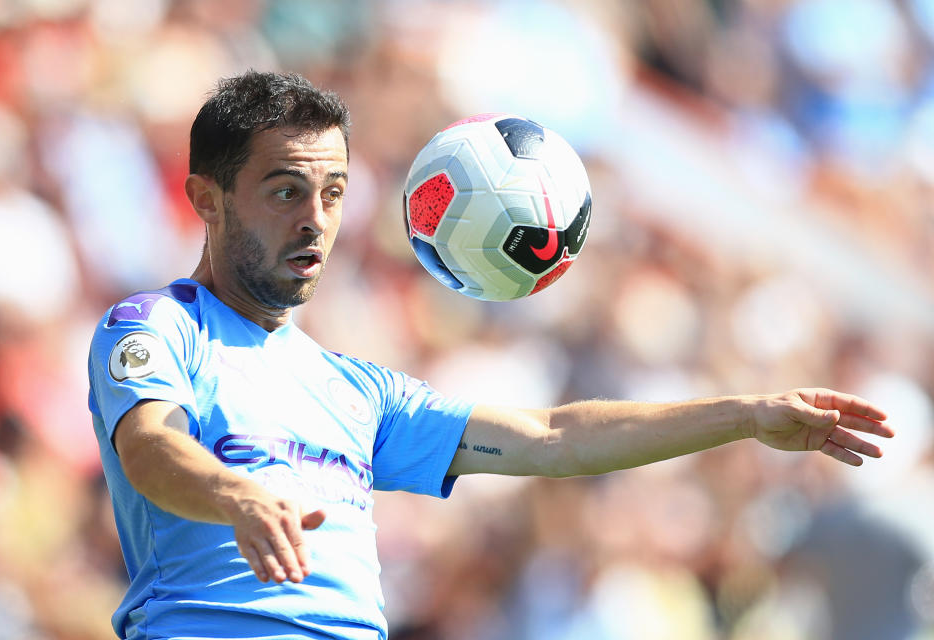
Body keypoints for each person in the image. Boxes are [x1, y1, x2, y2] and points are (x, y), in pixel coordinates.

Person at [87, 71, 893, 640]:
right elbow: (152, 447)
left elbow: (553, 438)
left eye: (333, 194)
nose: (316, 220)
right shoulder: (155, 326)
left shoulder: (355, 390)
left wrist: (748, 415)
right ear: (207, 199)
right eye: (286, 189)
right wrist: (236, 495)